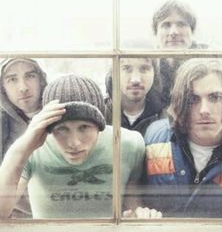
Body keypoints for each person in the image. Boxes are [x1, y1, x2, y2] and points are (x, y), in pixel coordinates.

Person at [0, 74, 159, 219]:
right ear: (48, 128)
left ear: (99, 125)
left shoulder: (128, 144)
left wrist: (139, 215)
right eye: (61, 129)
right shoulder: (34, 148)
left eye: (84, 127)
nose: (74, 142)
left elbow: (131, 203)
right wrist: (21, 147)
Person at [144, 58, 222, 218]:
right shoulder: (156, 138)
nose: (204, 110)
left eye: (215, 98)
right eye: (193, 100)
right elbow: (135, 196)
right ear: (181, 102)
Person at [0, 57, 47, 218]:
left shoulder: (60, 116)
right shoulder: (2, 124)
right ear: (3, 88)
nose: (23, 88)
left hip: (57, 216)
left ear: (41, 80)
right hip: (13, 219)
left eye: (30, 76)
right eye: (12, 79)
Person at [152, 0, 207, 107]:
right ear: (156, 32)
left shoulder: (211, 61)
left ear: (192, 31)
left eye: (181, 24)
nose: (174, 32)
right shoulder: (147, 65)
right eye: (166, 25)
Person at [104, 58, 165, 136]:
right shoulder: (99, 115)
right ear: (113, 73)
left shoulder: (166, 119)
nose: (135, 80)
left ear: (154, 73)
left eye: (144, 68)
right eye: (126, 68)